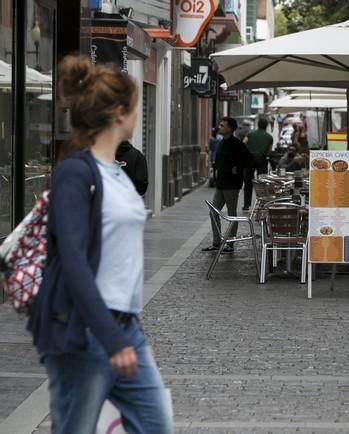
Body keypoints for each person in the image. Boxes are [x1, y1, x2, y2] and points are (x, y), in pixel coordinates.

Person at [27, 55, 172, 434]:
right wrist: (112, 339)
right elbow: (74, 261)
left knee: (155, 425)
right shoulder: (75, 173)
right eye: (136, 107)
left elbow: (118, 261)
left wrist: (131, 335)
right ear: (120, 112)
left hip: (124, 327)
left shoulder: (118, 172)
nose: (138, 115)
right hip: (84, 330)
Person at [202, 117, 253, 253]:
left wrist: (238, 167)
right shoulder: (220, 143)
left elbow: (249, 160)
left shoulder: (237, 144)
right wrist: (215, 173)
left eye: (222, 125)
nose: (219, 127)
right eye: (220, 125)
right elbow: (218, 161)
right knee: (213, 211)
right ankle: (216, 242)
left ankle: (230, 243)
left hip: (232, 184)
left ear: (230, 128)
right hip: (221, 183)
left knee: (231, 214)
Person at [242, 118, 273, 211]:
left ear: (258, 124)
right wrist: (266, 155)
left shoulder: (250, 134)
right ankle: (262, 204)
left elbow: (243, 143)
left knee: (248, 182)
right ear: (266, 126)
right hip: (262, 160)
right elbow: (270, 150)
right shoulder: (269, 137)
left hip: (250, 159)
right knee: (262, 182)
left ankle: (246, 205)